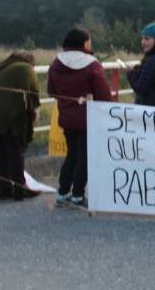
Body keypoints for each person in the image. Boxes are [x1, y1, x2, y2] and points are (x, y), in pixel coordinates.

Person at [47, 28, 112, 206]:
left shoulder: (56, 63)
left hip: (67, 117)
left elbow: (51, 90)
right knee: (84, 157)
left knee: (72, 154)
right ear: (84, 43)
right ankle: (77, 194)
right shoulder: (92, 64)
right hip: (89, 119)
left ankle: (62, 192)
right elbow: (104, 95)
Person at [0, 51, 40, 201]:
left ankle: (5, 191)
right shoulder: (26, 69)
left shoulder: (2, 68)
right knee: (16, 153)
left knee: (1, 154)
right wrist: (33, 114)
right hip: (9, 117)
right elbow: (33, 94)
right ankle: (20, 190)